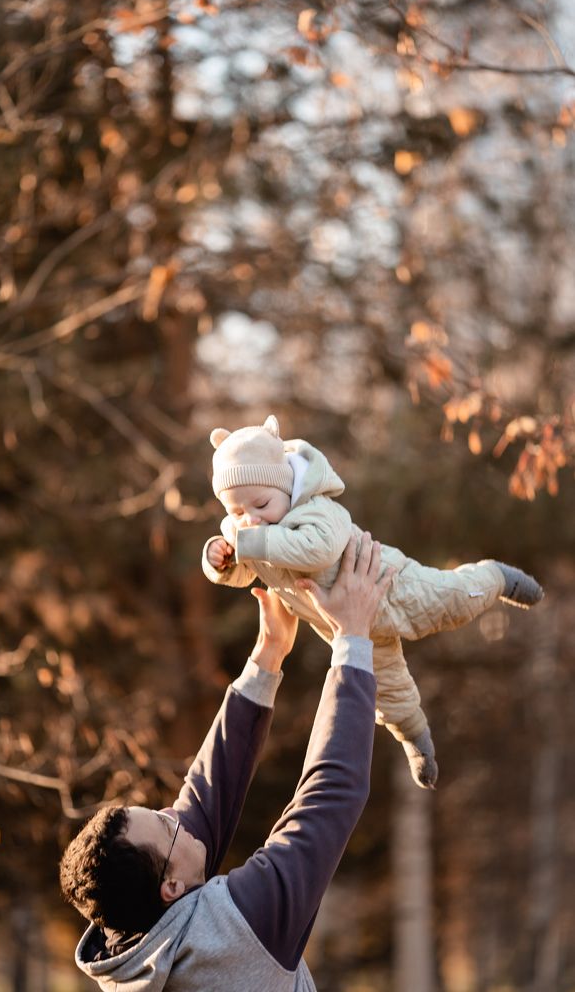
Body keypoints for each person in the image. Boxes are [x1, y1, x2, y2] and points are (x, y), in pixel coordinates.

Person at [60, 532, 392, 992]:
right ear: (171, 887)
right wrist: (353, 639)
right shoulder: (239, 932)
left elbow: (204, 802)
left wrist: (267, 656)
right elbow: (331, 794)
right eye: (164, 823)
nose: (174, 812)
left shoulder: (132, 942)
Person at [202, 415, 543, 788]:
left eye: (262, 504)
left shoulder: (315, 510)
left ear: (287, 488)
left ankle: (495, 577)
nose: (250, 520)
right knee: (385, 690)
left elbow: (317, 550)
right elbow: (244, 571)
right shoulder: (249, 532)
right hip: (347, 624)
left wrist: (248, 542)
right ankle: (417, 741)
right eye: (236, 512)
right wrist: (220, 559)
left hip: (389, 584)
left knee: (452, 603)